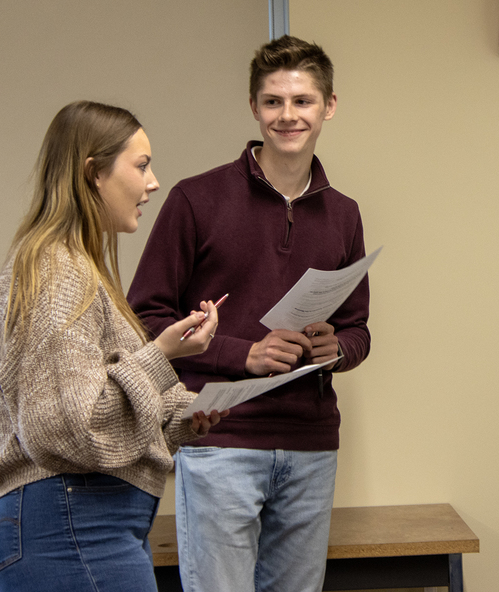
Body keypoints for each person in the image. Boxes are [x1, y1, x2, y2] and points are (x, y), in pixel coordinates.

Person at [127, 34, 370, 592]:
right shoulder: (196, 199)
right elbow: (145, 317)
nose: (288, 115)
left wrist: (339, 349)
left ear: (329, 106)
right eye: (273, 102)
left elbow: (357, 329)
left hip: (312, 446)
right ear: (254, 108)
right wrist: (245, 354)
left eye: (303, 101)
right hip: (220, 441)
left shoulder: (345, 215)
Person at [0, 100, 225, 592]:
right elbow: (68, 427)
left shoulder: (79, 270)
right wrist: (161, 356)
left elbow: (99, 403)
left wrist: (184, 417)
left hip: (83, 524)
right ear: (93, 173)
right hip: (71, 525)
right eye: (142, 165)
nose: (153, 183)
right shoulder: (57, 272)